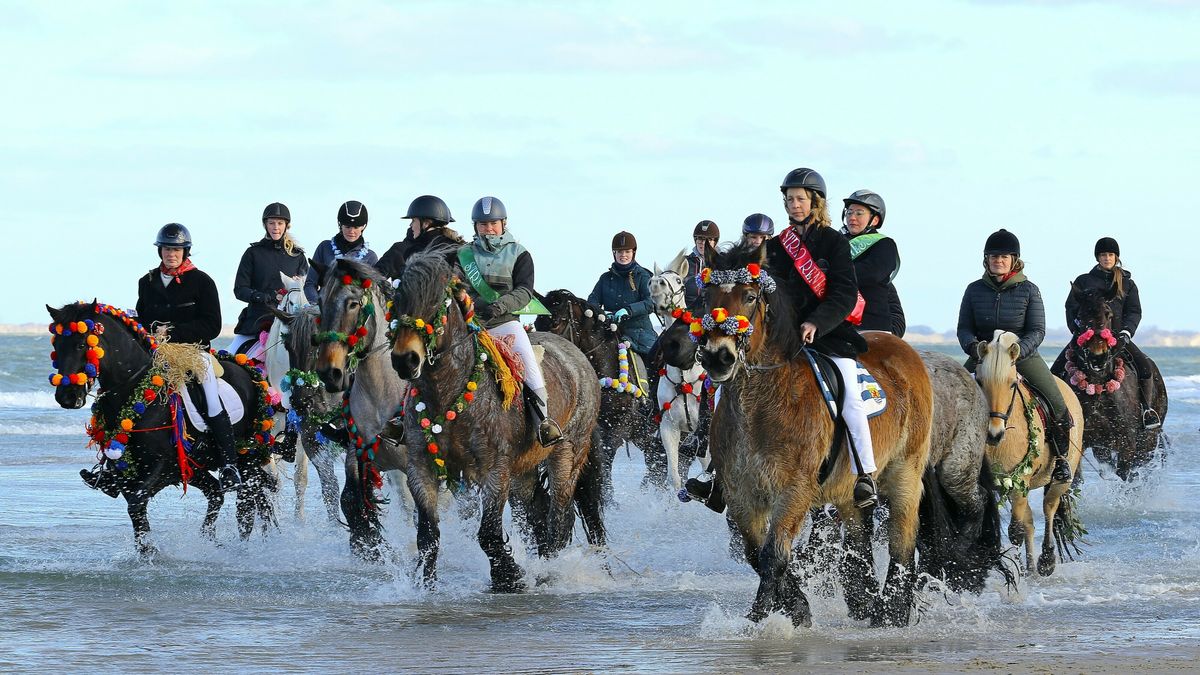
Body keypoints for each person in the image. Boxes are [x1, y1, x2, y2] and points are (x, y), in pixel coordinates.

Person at [82, 224, 242, 494]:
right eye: (168, 249)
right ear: (161, 251)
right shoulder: (147, 281)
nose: (172, 254)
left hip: (192, 351)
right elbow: (142, 319)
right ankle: (110, 469)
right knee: (124, 394)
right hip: (156, 352)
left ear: (185, 251)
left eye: (177, 250)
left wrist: (174, 331)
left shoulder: (203, 281)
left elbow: (213, 325)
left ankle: (229, 464)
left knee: (209, 393)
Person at [958, 229, 1073, 482]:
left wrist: (1021, 349)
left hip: (1020, 356)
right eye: (993, 256)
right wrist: (973, 347)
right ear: (986, 259)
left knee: (1058, 404)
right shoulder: (974, 290)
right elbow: (964, 329)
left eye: (1003, 257)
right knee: (950, 399)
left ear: (1014, 260)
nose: (998, 260)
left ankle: (1062, 461)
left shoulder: (1029, 290)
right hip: (983, 356)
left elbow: (1038, 329)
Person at [458, 196, 562, 445]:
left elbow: (525, 290)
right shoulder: (463, 254)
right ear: (475, 227)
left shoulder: (520, 253)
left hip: (504, 322)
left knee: (528, 362)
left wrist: (500, 305)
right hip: (468, 324)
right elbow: (455, 285)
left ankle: (543, 422)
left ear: (503, 223)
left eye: (493, 223)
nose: (488, 228)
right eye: (483, 224)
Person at [1054, 237, 1160, 429]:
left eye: (1110, 255)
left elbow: (1134, 311)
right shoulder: (1083, 281)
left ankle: (1147, 411)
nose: (1107, 258)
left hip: (1117, 337)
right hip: (1085, 337)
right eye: (1103, 255)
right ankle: (1055, 415)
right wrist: (1077, 327)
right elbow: (1070, 307)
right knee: (1055, 371)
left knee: (1144, 367)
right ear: (1097, 257)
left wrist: (1126, 332)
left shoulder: (1127, 284)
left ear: (1116, 257)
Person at [228, 202, 308, 356]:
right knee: (229, 357)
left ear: (286, 226)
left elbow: (308, 292)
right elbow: (240, 290)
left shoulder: (298, 256)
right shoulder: (252, 253)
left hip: (288, 324)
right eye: (271, 223)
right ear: (265, 225)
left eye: (280, 223)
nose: (275, 227)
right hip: (257, 321)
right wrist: (264, 297)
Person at [840, 189, 906, 336]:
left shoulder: (884, 244)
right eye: (849, 212)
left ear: (874, 220)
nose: (852, 217)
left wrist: (834, 272)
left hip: (871, 325)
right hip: (837, 323)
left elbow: (872, 273)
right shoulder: (836, 243)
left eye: (859, 213)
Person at [588, 231, 657, 360]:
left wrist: (629, 310)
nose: (623, 255)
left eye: (627, 251)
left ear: (633, 253)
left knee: (654, 361)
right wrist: (601, 314)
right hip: (610, 331)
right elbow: (592, 302)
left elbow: (650, 303)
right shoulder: (605, 279)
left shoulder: (643, 276)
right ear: (614, 253)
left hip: (639, 333)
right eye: (619, 252)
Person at [304, 200, 379, 304]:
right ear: (340, 225)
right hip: (325, 310)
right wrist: (318, 307)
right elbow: (310, 284)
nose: (351, 231)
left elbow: (373, 293)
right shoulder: (324, 247)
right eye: (347, 226)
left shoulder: (370, 257)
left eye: (356, 227)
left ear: (363, 227)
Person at [376, 195, 465, 280]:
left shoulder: (453, 252)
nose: (410, 225)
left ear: (426, 223)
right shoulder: (457, 249)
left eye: (413, 220)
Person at [683, 220, 720, 311]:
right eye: (701, 238)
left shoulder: (723, 262)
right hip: (689, 313)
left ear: (715, 242)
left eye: (709, 240)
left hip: (715, 314)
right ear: (696, 240)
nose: (703, 243)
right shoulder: (684, 262)